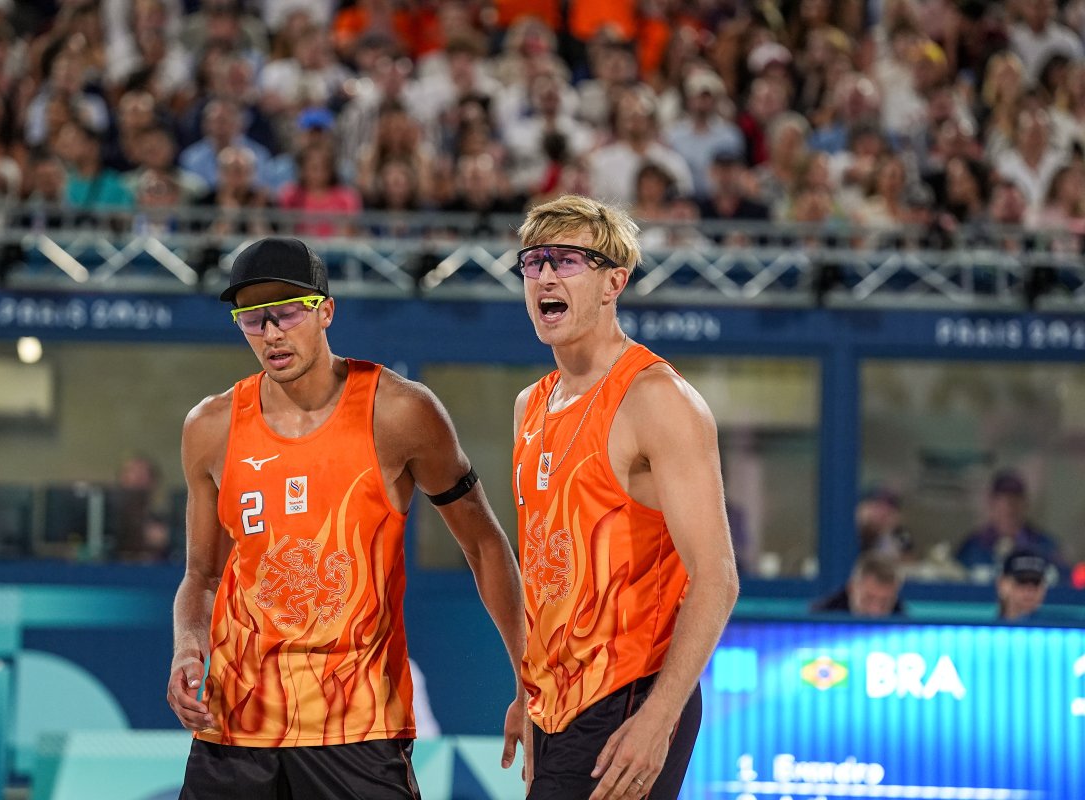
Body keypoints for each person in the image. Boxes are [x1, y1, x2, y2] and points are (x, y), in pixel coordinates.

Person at [167, 237, 527, 798]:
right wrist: (188, 644)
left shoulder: (400, 411)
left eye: (287, 313)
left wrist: (528, 680)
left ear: (326, 311)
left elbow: (484, 545)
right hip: (233, 730)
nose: (271, 333)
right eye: (253, 319)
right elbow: (203, 576)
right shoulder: (210, 427)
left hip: (357, 729)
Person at [512, 195, 740, 799]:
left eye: (567, 260)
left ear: (616, 280)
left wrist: (660, 717)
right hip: (557, 705)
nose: (546, 276)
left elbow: (716, 579)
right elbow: (545, 574)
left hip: (629, 696)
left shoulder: (656, 399)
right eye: (533, 262)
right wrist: (527, 692)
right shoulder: (530, 407)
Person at [956, 469, 1065, 579]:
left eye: (1015, 500)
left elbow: (1064, 579)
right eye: (1002, 500)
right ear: (991, 503)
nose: (1009, 507)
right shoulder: (974, 546)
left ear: (1025, 504)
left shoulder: (1043, 545)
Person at [811, 552, 906, 617]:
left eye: (884, 603)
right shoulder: (822, 617)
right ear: (851, 589)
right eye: (868, 599)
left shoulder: (905, 626)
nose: (875, 612)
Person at [996, 548, 1051, 622]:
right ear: (1003, 585)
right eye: (1022, 582)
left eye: (1036, 583)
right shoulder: (983, 629)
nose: (1030, 590)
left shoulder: (1057, 630)